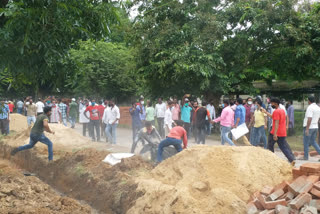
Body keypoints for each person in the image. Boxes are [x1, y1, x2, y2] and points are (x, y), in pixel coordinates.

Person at [261, 97, 295, 164]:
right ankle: (291, 159)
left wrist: (275, 134)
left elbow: (276, 123)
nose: (271, 104)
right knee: (283, 147)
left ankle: (271, 159)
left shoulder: (276, 111)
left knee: (270, 145)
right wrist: (266, 112)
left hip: (275, 132)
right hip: (282, 132)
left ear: (275, 104)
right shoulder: (282, 110)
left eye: (272, 103)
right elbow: (273, 117)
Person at [301, 96, 320, 160]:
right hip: (315, 126)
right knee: (313, 142)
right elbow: (318, 118)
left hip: (310, 127)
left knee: (306, 142)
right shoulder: (318, 107)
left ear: (309, 101)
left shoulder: (310, 108)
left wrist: (307, 129)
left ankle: (305, 157)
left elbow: (309, 118)